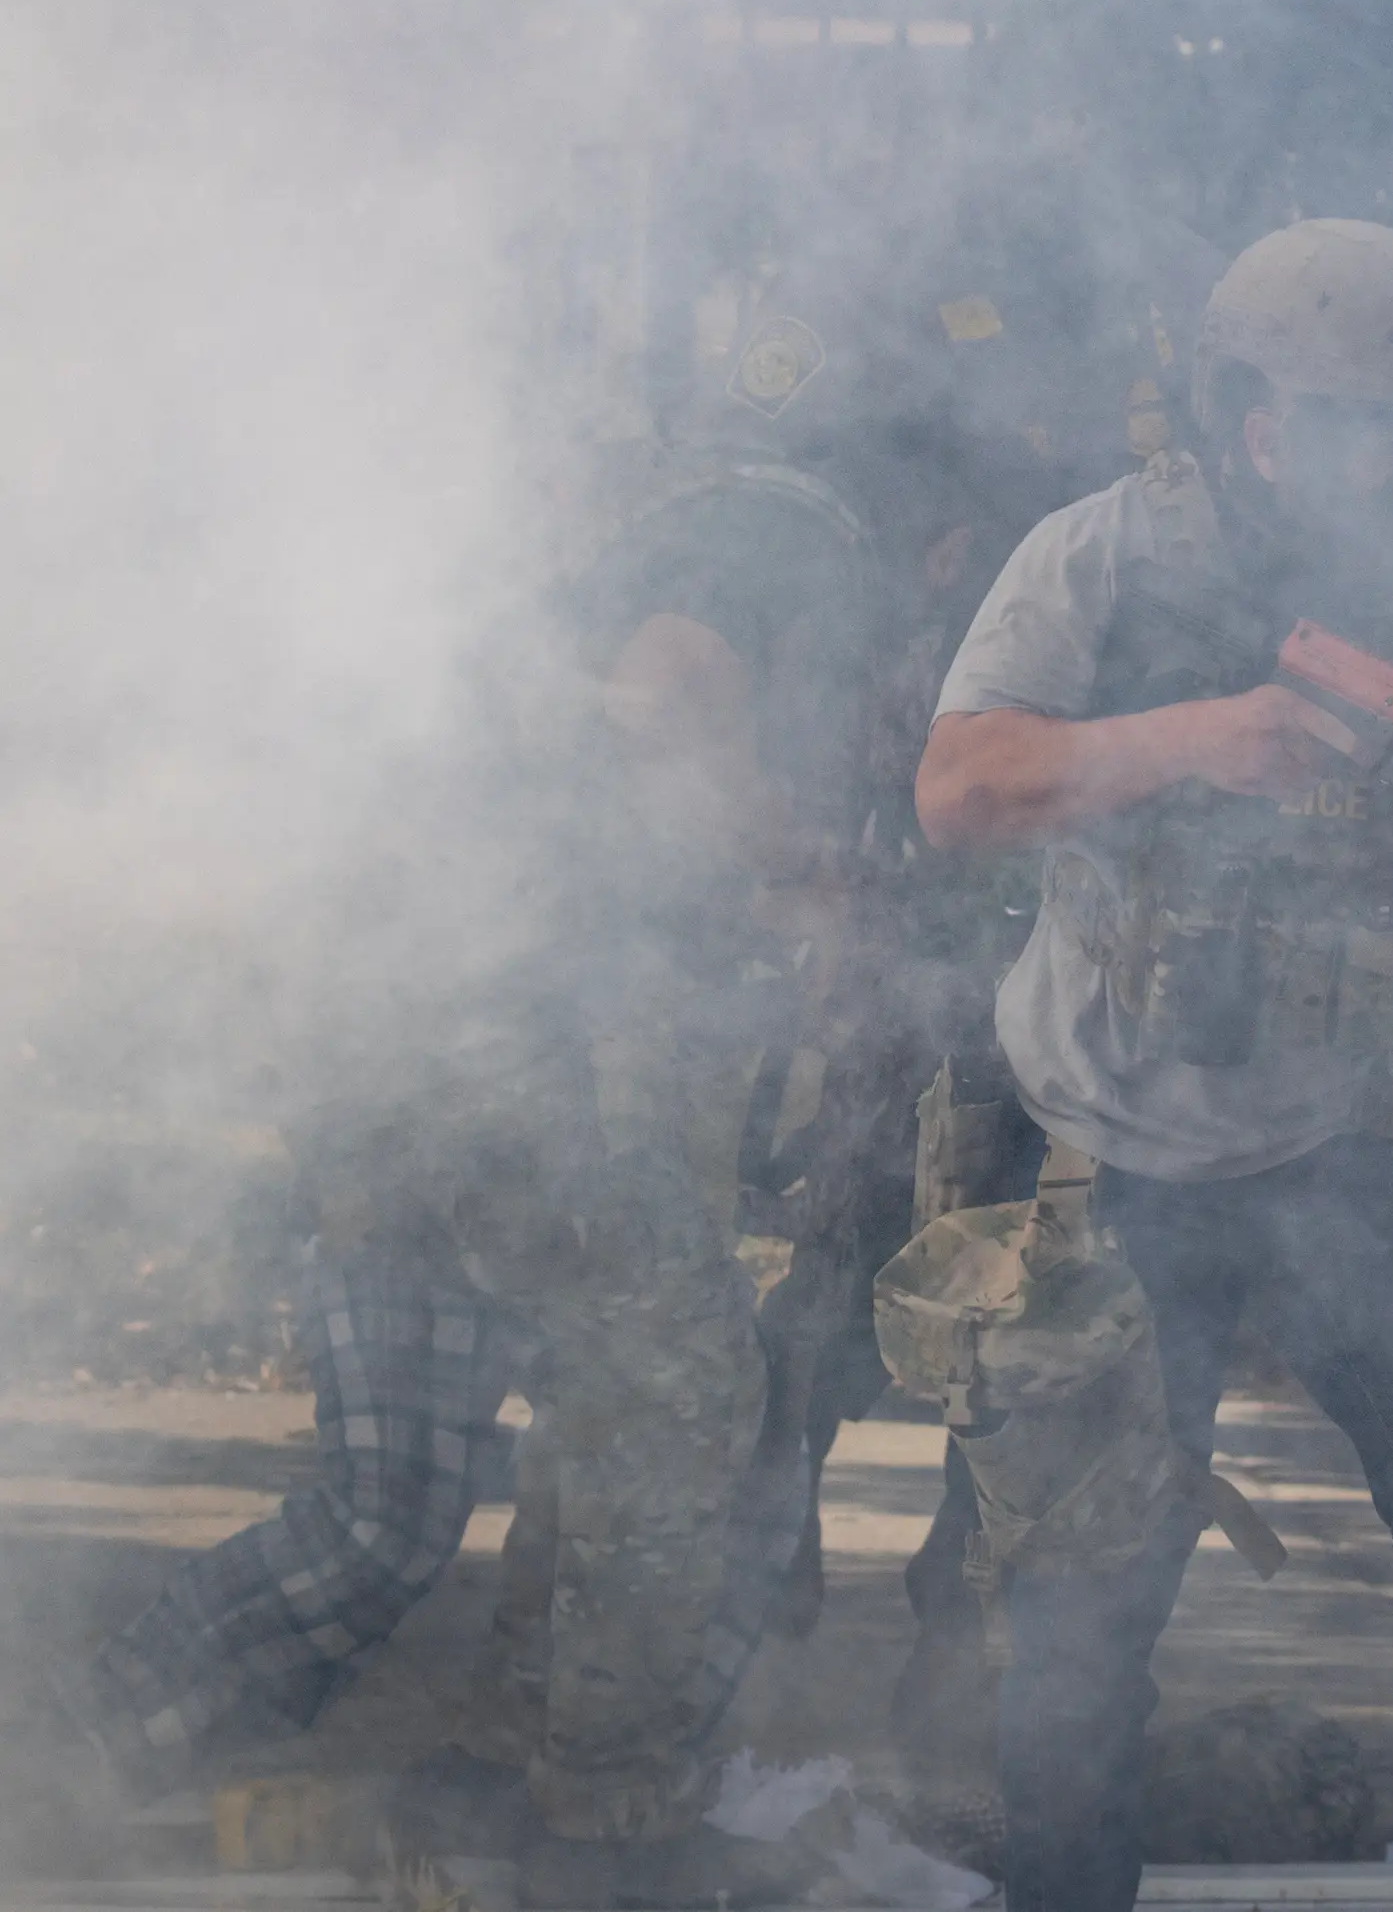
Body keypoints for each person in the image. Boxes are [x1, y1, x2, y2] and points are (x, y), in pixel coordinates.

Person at [78, 247, 896, 1900]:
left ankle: (482, 1775)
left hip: (440, 1045)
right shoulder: (784, 527)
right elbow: (664, 688)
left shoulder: (627, 519)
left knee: (464, 1472)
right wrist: (787, 872)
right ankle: (600, 1814)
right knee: (669, 1408)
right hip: (546, 1062)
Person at [912, 217, 1393, 1912]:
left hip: (1380, 1149)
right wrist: (1188, 743)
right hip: (1118, 1155)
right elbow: (956, 789)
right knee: (1078, 1645)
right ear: (1267, 428)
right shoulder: (1105, 557)